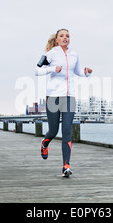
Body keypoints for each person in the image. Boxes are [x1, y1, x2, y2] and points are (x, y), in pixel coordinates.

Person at [35, 29, 93, 177]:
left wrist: (86, 73)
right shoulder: (51, 54)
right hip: (53, 96)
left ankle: (66, 165)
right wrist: (54, 68)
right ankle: (45, 143)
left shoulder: (74, 55)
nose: (65, 38)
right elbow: (37, 70)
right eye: (62, 36)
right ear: (56, 40)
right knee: (53, 131)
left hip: (69, 96)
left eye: (67, 36)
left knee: (67, 130)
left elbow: (77, 71)